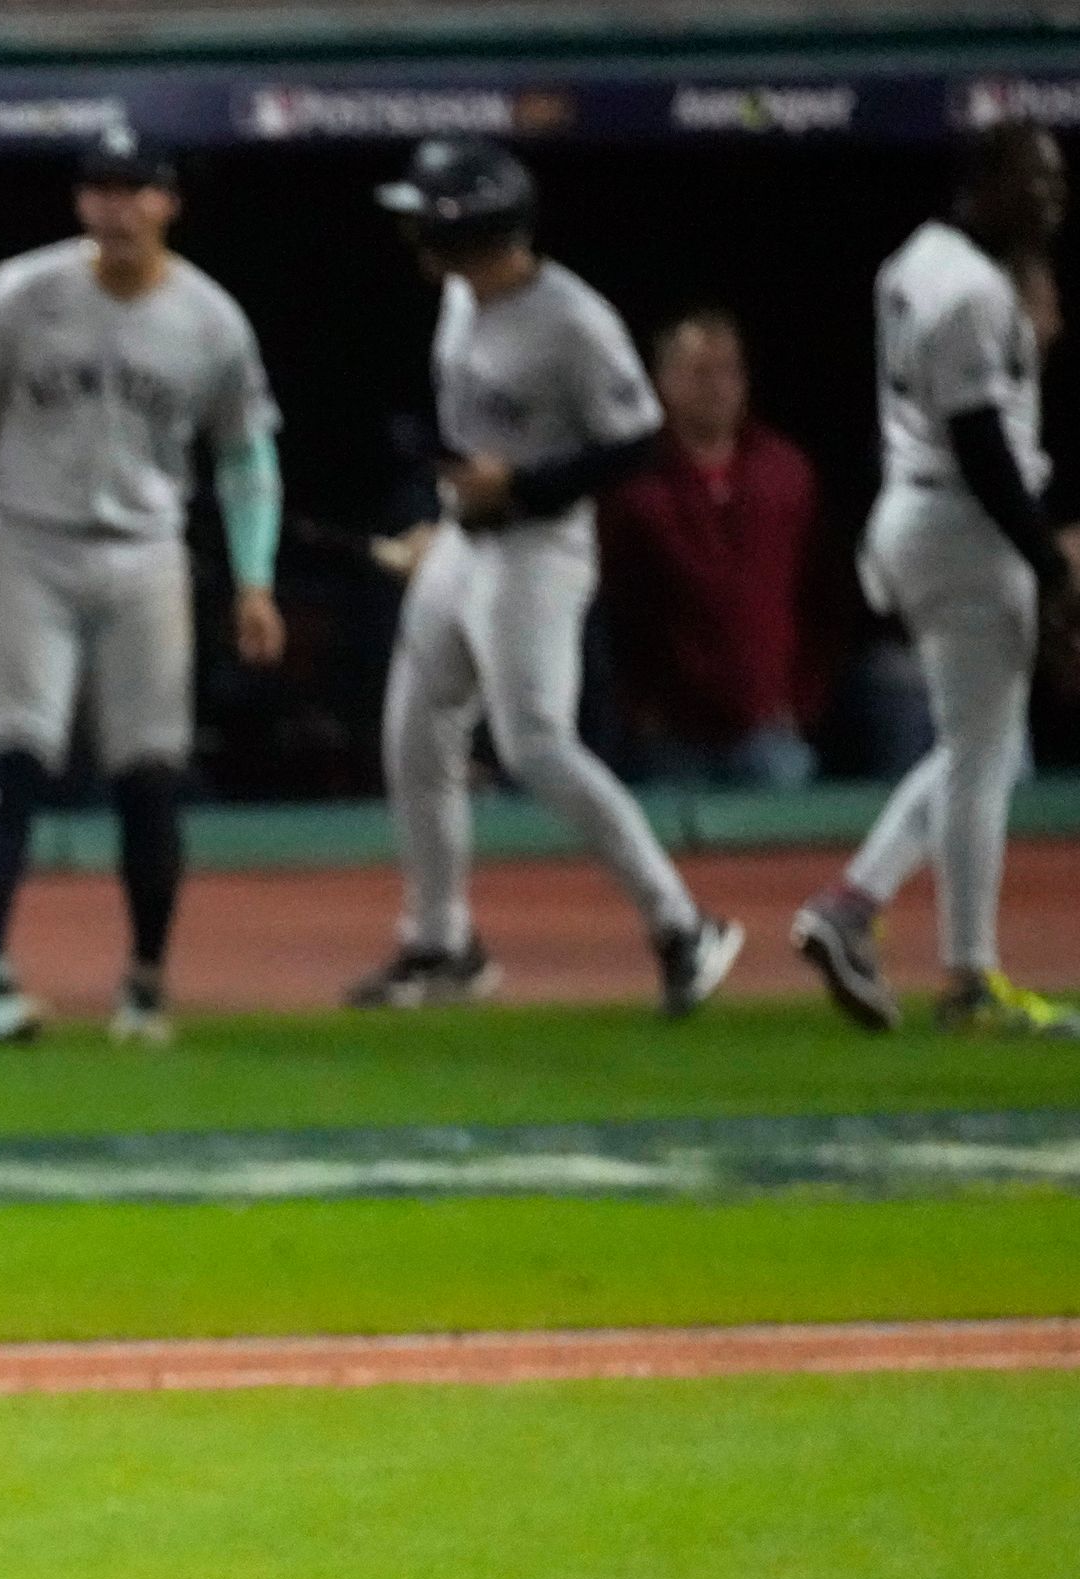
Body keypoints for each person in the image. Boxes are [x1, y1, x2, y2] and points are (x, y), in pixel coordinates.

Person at [351, 140, 743, 1017]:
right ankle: (440, 943)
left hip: (541, 549)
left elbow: (639, 442)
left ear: (476, 228)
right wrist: (449, 507)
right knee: (415, 735)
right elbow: (472, 432)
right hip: (467, 542)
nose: (414, 231)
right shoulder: (459, 296)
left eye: (429, 217)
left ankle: (684, 926)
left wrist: (523, 487)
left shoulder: (572, 319)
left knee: (536, 747)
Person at [0, 128, 284, 1046]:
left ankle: (146, 987)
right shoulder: (23, 293)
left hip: (145, 553)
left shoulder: (209, 318)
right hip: (27, 542)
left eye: (135, 190)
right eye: (100, 190)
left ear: (169, 202)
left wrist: (254, 577)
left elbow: (244, 458)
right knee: (14, 762)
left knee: (150, 776)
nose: (116, 208)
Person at [795, 125, 1080, 1038]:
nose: (1052, 196)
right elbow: (983, 445)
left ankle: (855, 910)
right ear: (986, 182)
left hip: (917, 513)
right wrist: (1048, 565)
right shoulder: (970, 289)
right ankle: (963, 975)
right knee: (978, 758)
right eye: (1033, 178)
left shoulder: (921, 257)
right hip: (964, 529)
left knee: (976, 749)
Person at [597, 311, 826, 788]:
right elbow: (608, 603)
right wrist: (635, 704)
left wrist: (799, 698)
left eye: (730, 370)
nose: (718, 386)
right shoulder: (631, 484)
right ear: (662, 382)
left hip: (769, 734)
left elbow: (824, 592)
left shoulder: (785, 472)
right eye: (700, 372)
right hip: (666, 741)